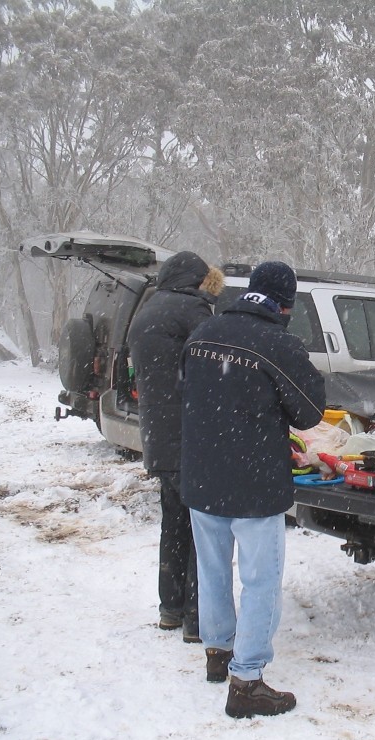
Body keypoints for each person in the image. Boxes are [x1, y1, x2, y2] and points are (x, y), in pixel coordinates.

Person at [180, 261, 325, 719]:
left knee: (213, 569)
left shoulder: (203, 331)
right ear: (286, 305)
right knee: (260, 580)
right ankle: (247, 682)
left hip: (202, 476)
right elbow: (310, 411)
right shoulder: (278, 344)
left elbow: (191, 390)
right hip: (254, 485)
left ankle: (218, 653)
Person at [126, 250, 224, 643]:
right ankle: (197, 621)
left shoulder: (146, 312)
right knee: (203, 528)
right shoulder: (194, 313)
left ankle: (171, 608)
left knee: (174, 522)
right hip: (190, 436)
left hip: (159, 436)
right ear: (197, 282)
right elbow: (212, 372)